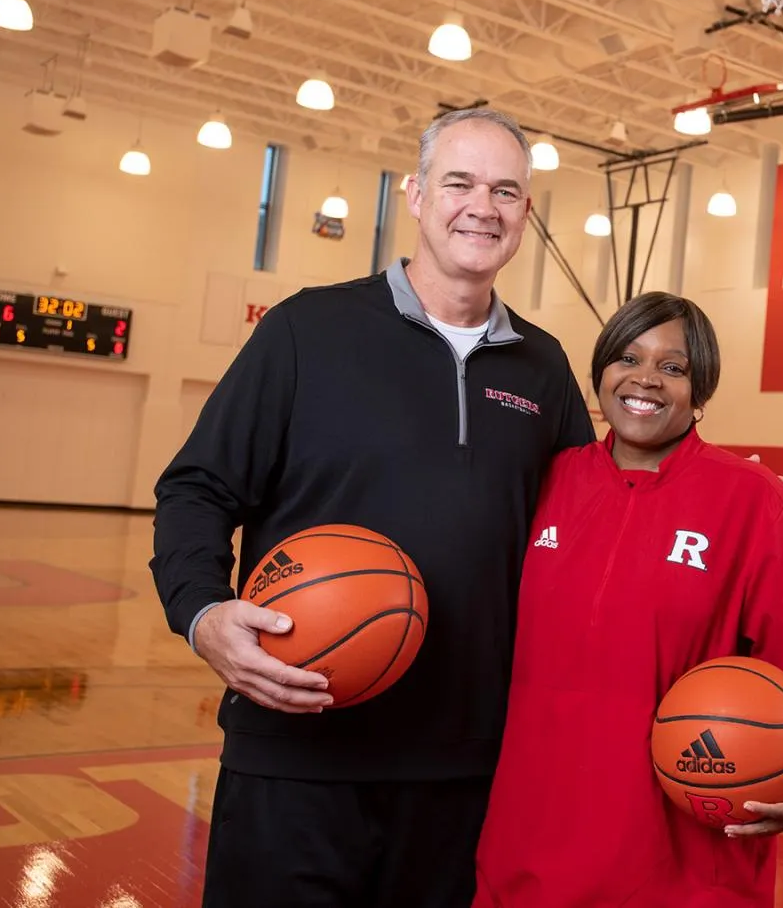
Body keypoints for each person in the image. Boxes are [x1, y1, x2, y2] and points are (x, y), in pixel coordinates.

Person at [149, 107, 598, 907]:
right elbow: (196, 487)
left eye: (505, 191)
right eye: (459, 182)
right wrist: (202, 611)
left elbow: (599, 523)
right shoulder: (306, 329)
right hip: (296, 748)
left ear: (525, 212)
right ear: (416, 196)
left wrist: (733, 491)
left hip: (465, 767)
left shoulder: (544, 367)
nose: (482, 206)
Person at [474, 291, 783, 908]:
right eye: (627, 358)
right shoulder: (544, 479)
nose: (646, 379)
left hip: (681, 871)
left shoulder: (750, 499)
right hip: (526, 853)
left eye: (673, 367)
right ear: (600, 373)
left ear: (699, 391)